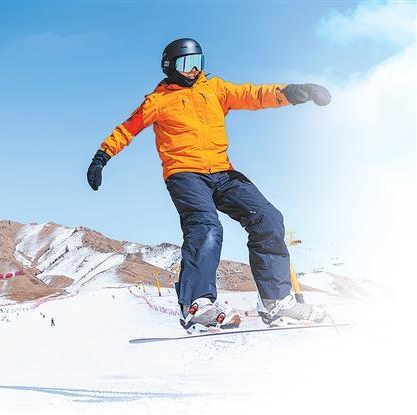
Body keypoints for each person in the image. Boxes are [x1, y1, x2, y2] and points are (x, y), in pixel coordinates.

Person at [87, 39, 329, 328]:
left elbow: (253, 95)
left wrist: (291, 92)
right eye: (185, 64)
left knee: (267, 217)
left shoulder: (214, 89)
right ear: (169, 67)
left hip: (222, 172)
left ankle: (275, 301)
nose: (193, 70)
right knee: (206, 227)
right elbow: (127, 129)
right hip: (184, 174)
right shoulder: (158, 101)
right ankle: (196, 304)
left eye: (197, 63)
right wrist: (101, 157)